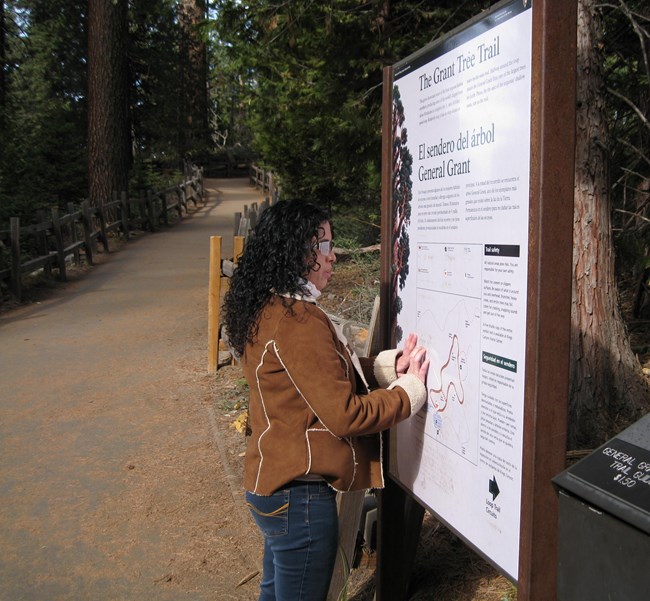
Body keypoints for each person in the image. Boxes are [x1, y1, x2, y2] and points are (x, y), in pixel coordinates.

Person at [223, 200, 429, 601]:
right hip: (298, 499)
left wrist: (389, 367)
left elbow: (320, 377)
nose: (332, 255)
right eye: (324, 246)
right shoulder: (299, 321)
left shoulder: (271, 307)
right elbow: (345, 414)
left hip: (272, 486)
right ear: (298, 251)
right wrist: (409, 393)